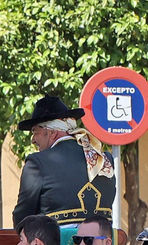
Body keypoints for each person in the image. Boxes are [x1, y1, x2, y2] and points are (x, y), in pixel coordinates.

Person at [13, 95, 117, 227]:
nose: (33, 139)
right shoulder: (104, 159)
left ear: (51, 132)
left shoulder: (37, 162)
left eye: (35, 131)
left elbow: (23, 217)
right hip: (102, 244)